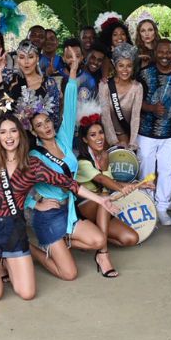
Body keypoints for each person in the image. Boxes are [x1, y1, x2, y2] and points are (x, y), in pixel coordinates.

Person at [0, 112, 83, 302]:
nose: (8, 136)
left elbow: (67, 182)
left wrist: (102, 200)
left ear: (20, 133)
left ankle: (7, 262)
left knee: (27, 293)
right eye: (3, 132)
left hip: (13, 231)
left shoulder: (32, 164)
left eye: (13, 131)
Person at [23, 53, 122, 280]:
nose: (46, 127)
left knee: (99, 240)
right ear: (33, 131)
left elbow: (69, 106)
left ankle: (62, 243)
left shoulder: (64, 139)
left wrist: (74, 73)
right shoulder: (33, 155)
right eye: (39, 125)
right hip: (47, 216)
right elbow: (18, 184)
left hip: (68, 210)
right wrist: (35, 202)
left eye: (47, 121)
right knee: (69, 274)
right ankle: (30, 248)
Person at [138, 39, 171, 224]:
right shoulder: (145, 74)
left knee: (167, 170)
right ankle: (147, 205)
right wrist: (152, 108)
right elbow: (136, 101)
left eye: (168, 52)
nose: (164, 56)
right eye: (161, 52)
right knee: (146, 168)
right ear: (155, 53)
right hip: (146, 131)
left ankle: (162, 208)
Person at [75, 118, 143, 263]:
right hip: (84, 208)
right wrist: (119, 188)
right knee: (104, 196)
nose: (99, 138)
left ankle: (94, 237)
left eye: (100, 133)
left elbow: (111, 182)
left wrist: (140, 185)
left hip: (102, 208)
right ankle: (102, 252)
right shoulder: (82, 162)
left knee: (131, 238)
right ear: (85, 140)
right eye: (93, 135)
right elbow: (102, 180)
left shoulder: (103, 156)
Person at [100, 42, 142, 149]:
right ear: (115, 66)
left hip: (127, 138)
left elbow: (135, 117)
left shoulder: (137, 87)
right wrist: (113, 141)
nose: (125, 70)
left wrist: (132, 142)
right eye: (121, 65)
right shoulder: (105, 85)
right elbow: (105, 116)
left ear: (133, 67)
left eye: (129, 66)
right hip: (105, 139)